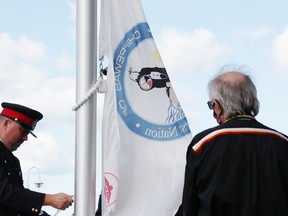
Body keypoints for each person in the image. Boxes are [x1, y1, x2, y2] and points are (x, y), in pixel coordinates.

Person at [175, 65, 288, 216]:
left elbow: (190, 206)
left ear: (217, 106)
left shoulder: (201, 145)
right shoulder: (283, 143)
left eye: (211, 106)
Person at [0, 102, 73, 216]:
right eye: (23, 131)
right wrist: (48, 199)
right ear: (6, 123)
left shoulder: (13, 161)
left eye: (28, 133)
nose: (25, 138)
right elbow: (4, 192)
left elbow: (19, 204)